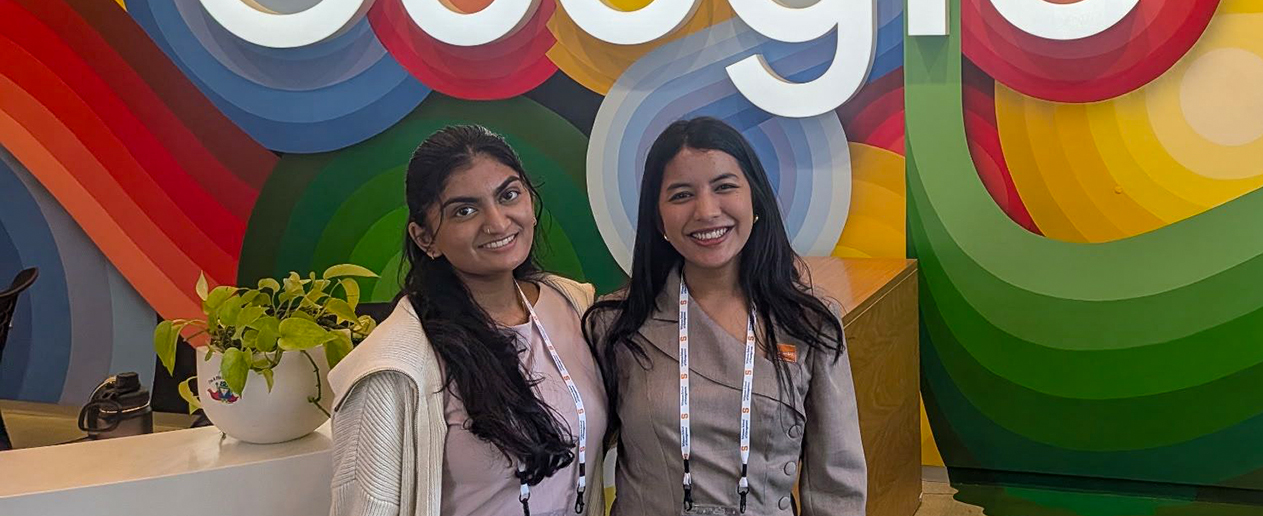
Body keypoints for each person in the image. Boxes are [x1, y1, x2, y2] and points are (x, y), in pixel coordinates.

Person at [586, 117, 866, 515]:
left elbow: (837, 480)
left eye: (724, 187)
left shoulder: (809, 322)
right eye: (681, 195)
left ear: (755, 200)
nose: (706, 211)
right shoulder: (616, 325)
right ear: (658, 218)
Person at [329, 124, 605, 516]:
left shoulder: (574, 304)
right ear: (425, 238)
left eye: (508, 195)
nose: (497, 222)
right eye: (465, 210)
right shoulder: (393, 367)